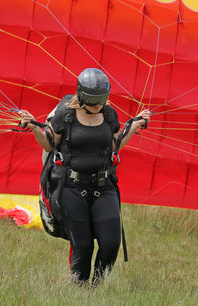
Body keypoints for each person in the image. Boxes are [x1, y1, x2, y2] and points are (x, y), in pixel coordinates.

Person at [19, 68, 150, 286]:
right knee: (84, 245)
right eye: (92, 99)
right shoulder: (66, 115)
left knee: (109, 244)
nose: (97, 104)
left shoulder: (109, 115)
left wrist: (135, 125)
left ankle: (96, 289)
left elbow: (114, 145)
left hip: (103, 186)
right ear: (81, 94)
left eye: (101, 99)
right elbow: (49, 143)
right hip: (71, 188)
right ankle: (79, 289)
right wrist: (33, 126)